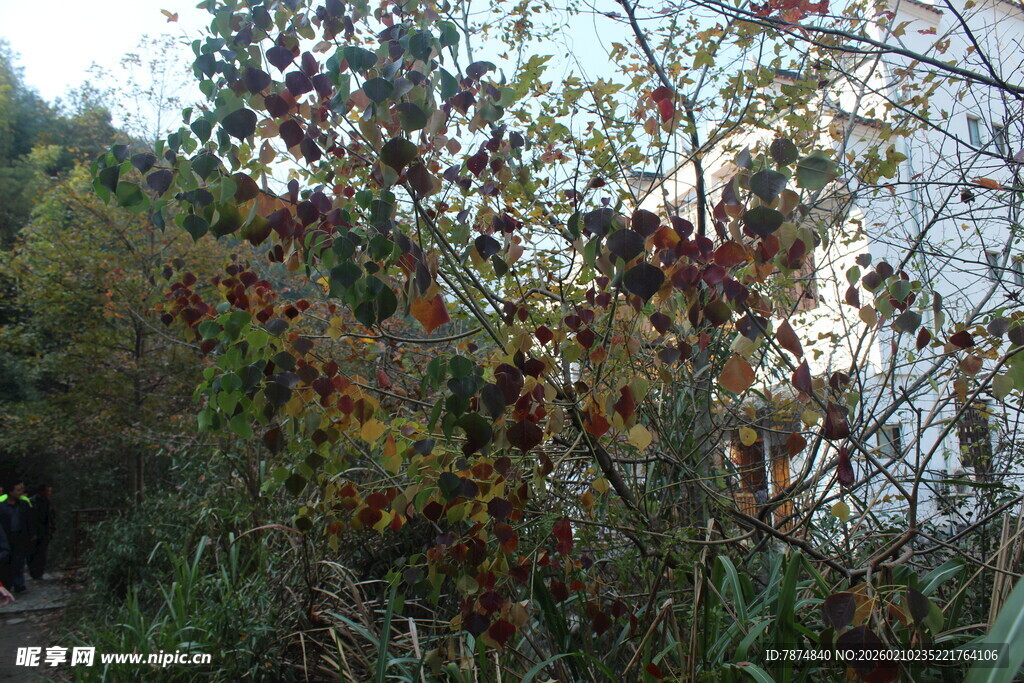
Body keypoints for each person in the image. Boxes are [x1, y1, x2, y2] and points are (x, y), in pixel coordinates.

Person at [0, 480, 35, 593]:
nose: (20, 492)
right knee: (6, 561)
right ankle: (7, 583)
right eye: (18, 490)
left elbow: (30, 520)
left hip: (20, 536)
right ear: (10, 492)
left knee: (19, 560)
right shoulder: (2, 507)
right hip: (6, 537)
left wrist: (32, 533)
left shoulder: (24, 505)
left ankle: (19, 583)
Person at [28, 483, 54, 580]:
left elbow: (52, 517)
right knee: (32, 552)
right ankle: (33, 572)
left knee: (42, 552)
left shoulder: (49, 502)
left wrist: (52, 530)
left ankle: (39, 573)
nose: (49, 493)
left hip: (45, 531)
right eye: (47, 491)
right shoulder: (32, 502)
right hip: (34, 530)